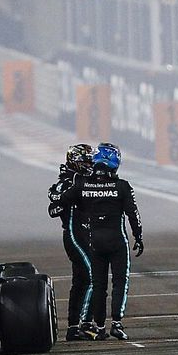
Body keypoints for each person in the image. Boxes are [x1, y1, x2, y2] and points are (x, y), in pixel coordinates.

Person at [63, 142, 143, 340]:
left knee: (98, 285)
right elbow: (134, 214)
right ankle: (116, 323)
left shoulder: (83, 184)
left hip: (94, 241)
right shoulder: (122, 186)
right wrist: (138, 236)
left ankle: (99, 327)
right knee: (119, 282)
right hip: (117, 240)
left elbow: (62, 200)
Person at [48, 144, 95, 341]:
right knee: (94, 277)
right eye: (86, 161)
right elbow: (53, 207)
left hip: (88, 235)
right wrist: (69, 199)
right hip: (75, 235)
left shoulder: (90, 181)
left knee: (81, 281)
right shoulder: (66, 181)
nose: (90, 165)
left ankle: (75, 326)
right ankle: (83, 324)